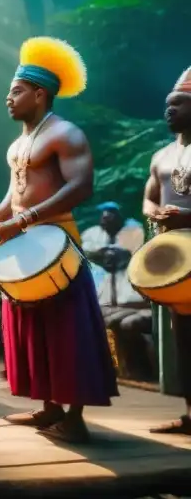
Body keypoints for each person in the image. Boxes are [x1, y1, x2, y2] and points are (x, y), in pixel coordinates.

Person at [0, 37, 117, 444]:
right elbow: (13, 195)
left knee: (65, 327)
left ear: (40, 93)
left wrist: (26, 219)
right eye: (9, 91)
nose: (8, 98)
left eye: (16, 91)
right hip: (23, 240)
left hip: (56, 242)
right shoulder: (17, 144)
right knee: (32, 327)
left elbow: (81, 185)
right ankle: (49, 406)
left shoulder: (66, 133)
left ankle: (75, 417)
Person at [142, 65, 191, 436]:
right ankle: (190, 414)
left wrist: (185, 215)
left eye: (180, 103)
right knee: (183, 336)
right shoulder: (160, 156)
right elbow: (148, 198)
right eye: (167, 104)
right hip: (176, 259)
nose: (170, 110)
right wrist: (155, 214)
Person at [82, 202, 152, 380]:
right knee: (96, 319)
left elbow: (121, 255)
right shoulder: (92, 234)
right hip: (110, 303)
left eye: (111, 217)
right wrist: (103, 253)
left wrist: (105, 254)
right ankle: (112, 371)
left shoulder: (133, 231)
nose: (106, 222)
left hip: (136, 304)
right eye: (104, 219)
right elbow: (89, 252)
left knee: (124, 323)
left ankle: (138, 371)